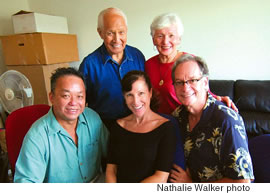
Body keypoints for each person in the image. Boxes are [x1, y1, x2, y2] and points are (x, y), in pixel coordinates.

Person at [14, 67, 109, 183]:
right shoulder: (37, 136)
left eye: (79, 96)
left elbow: (112, 153)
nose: (74, 103)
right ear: (51, 98)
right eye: (66, 96)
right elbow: (26, 182)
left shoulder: (92, 118)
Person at [169, 54, 254, 183]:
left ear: (205, 83)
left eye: (192, 80)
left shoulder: (227, 121)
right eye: (179, 82)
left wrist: (191, 186)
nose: (185, 88)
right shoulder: (178, 116)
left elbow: (242, 183)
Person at [145, 13, 236, 114]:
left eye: (171, 36)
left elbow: (203, 92)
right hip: (158, 123)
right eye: (160, 36)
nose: (165, 41)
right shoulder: (148, 65)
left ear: (179, 39)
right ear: (153, 40)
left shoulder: (190, 63)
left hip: (185, 122)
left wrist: (219, 99)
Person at [105, 70, 178, 183]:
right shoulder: (117, 126)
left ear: (150, 93)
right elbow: (111, 169)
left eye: (141, 93)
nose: (136, 101)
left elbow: (161, 177)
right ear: (124, 97)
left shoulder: (166, 128)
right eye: (130, 95)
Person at [79, 7, 145, 128]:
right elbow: (80, 103)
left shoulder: (137, 56)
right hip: (105, 129)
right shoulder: (89, 64)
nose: (117, 39)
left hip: (138, 124)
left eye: (121, 32)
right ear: (100, 33)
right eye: (110, 33)